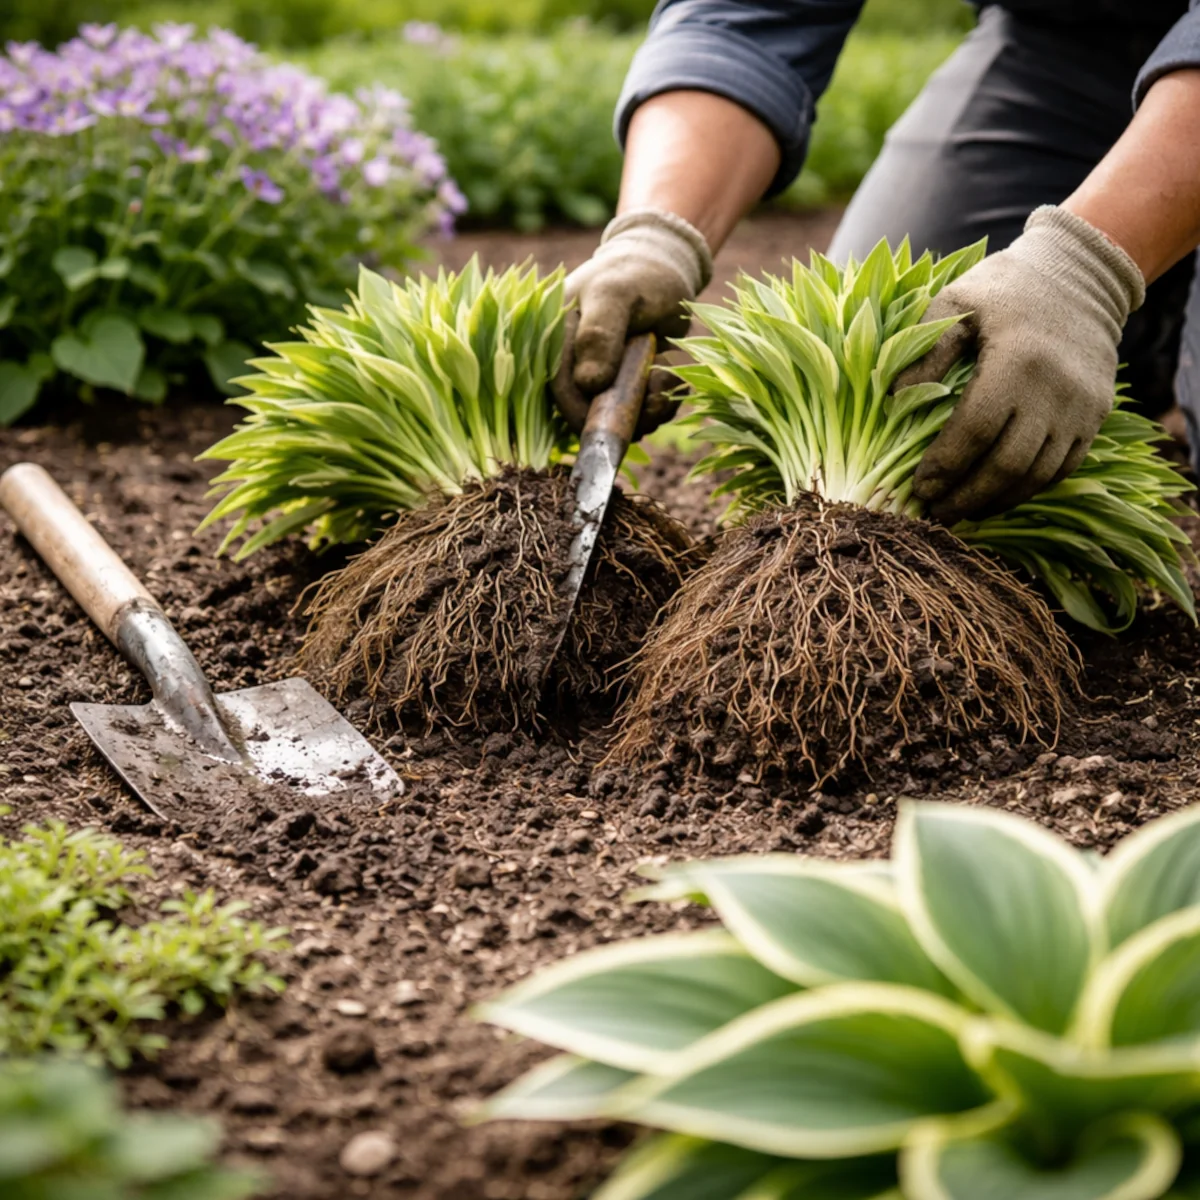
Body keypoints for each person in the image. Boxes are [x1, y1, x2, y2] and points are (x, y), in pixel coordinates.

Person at [552, 2, 1200, 523]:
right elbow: (747, 17)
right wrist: (655, 235)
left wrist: (1084, 270)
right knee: (896, 342)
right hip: (1066, 43)